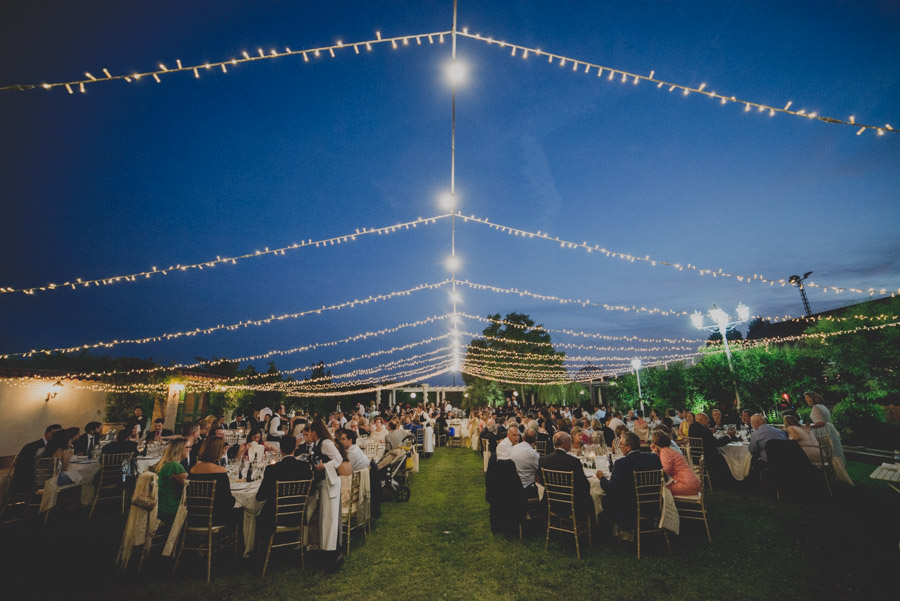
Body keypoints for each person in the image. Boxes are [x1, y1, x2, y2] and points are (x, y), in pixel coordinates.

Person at [599, 432, 663, 532]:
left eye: (621, 444)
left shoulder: (621, 463)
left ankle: (606, 531)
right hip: (654, 503)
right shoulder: (654, 458)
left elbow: (611, 488)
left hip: (629, 507)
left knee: (605, 499)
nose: (619, 446)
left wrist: (602, 478)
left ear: (628, 447)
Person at [256, 435, 313, 538]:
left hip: (274, 517)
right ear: (295, 448)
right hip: (297, 515)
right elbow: (311, 492)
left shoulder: (271, 470)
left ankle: (251, 548)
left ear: (281, 449)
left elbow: (260, 497)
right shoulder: (305, 467)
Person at [308, 418, 346, 572]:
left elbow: (338, 458)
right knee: (325, 519)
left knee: (329, 519)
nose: (309, 434)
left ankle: (331, 555)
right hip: (323, 484)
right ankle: (325, 551)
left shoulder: (325, 443)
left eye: (310, 431)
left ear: (315, 432)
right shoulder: (317, 444)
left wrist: (325, 466)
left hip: (330, 483)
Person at [539, 432, 592, 519]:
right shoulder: (573, 462)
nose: (571, 444)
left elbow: (542, 482)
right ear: (565, 445)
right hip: (571, 504)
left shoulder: (543, 460)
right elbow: (584, 486)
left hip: (551, 502)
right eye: (570, 442)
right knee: (592, 498)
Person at [188, 438, 236, 526]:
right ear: (217, 451)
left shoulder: (193, 469)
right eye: (223, 449)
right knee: (242, 512)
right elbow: (227, 500)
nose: (224, 452)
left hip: (193, 516)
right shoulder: (220, 471)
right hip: (216, 517)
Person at [687, 414, 735, 488]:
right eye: (706, 419)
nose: (708, 420)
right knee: (725, 457)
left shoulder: (692, 426)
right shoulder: (705, 430)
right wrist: (728, 436)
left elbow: (709, 441)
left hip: (695, 456)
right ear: (700, 420)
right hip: (707, 457)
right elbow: (716, 443)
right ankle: (726, 481)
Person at [11, 424, 62, 492]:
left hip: (42, 477)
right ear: (45, 434)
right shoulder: (32, 447)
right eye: (53, 434)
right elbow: (25, 467)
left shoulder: (54, 446)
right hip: (29, 479)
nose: (55, 437)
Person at [650, 430, 700, 496]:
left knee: (658, 489)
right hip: (692, 482)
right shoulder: (668, 450)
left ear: (655, 442)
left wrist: (654, 455)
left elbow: (665, 471)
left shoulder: (665, 452)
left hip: (686, 485)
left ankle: (666, 506)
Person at [151, 438, 189, 523]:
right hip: (170, 509)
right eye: (187, 447)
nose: (190, 449)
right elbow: (191, 485)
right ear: (179, 449)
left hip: (162, 506)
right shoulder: (174, 466)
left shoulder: (166, 464)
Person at [804, 391, 846, 464]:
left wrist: (811, 426)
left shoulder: (816, 407)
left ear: (812, 398)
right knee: (832, 449)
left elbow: (821, 422)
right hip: (828, 428)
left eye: (807, 398)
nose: (806, 400)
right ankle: (835, 466)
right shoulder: (822, 406)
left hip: (822, 430)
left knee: (825, 450)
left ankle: (829, 467)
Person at [509, 428, 540, 498]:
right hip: (526, 488)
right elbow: (540, 469)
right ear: (536, 440)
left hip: (513, 486)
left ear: (523, 438)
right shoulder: (532, 454)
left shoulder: (514, 447)